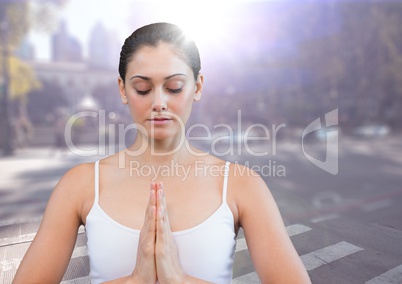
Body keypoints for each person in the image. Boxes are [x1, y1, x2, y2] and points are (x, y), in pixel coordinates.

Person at [13, 23, 311, 284]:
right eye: (143, 88)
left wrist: (179, 280)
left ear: (197, 86)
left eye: (174, 87)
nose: (159, 102)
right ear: (122, 89)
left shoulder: (241, 184)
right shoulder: (79, 185)